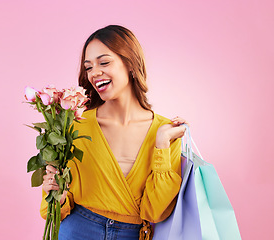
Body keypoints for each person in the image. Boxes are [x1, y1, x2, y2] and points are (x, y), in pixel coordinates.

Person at [40, 25, 188, 240]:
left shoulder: (165, 132)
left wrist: (162, 143)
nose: (94, 73)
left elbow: (155, 211)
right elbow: (52, 211)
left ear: (130, 63)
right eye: (88, 67)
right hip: (76, 230)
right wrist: (57, 194)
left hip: (132, 234)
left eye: (104, 62)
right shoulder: (74, 125)